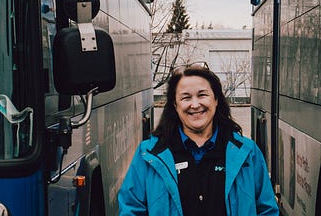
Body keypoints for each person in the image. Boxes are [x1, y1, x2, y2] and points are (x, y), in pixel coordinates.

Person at [117, 62, 278, 216]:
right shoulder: (149, 155)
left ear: (216, 100)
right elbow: (131, 209)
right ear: (175, 105)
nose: (195, 104)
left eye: (202, 95)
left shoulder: (248, 154)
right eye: (186, 98)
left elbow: (267, 210)